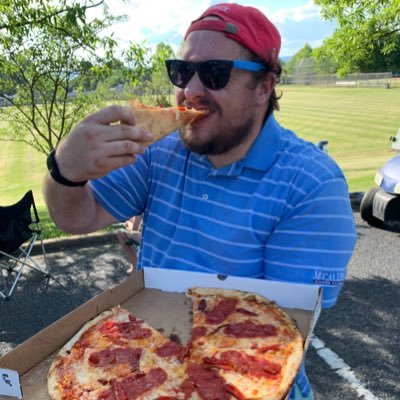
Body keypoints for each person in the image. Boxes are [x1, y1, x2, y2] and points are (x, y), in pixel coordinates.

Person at [43, 3, 357, 398]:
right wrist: (64, 171)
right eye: (182, 71)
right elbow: (77, 217)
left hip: (252, 381)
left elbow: (284, 325)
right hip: (145, 354)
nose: (190, 90)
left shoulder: (312, 184)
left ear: (264, 87)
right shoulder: (161, 150)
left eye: (214, 73)